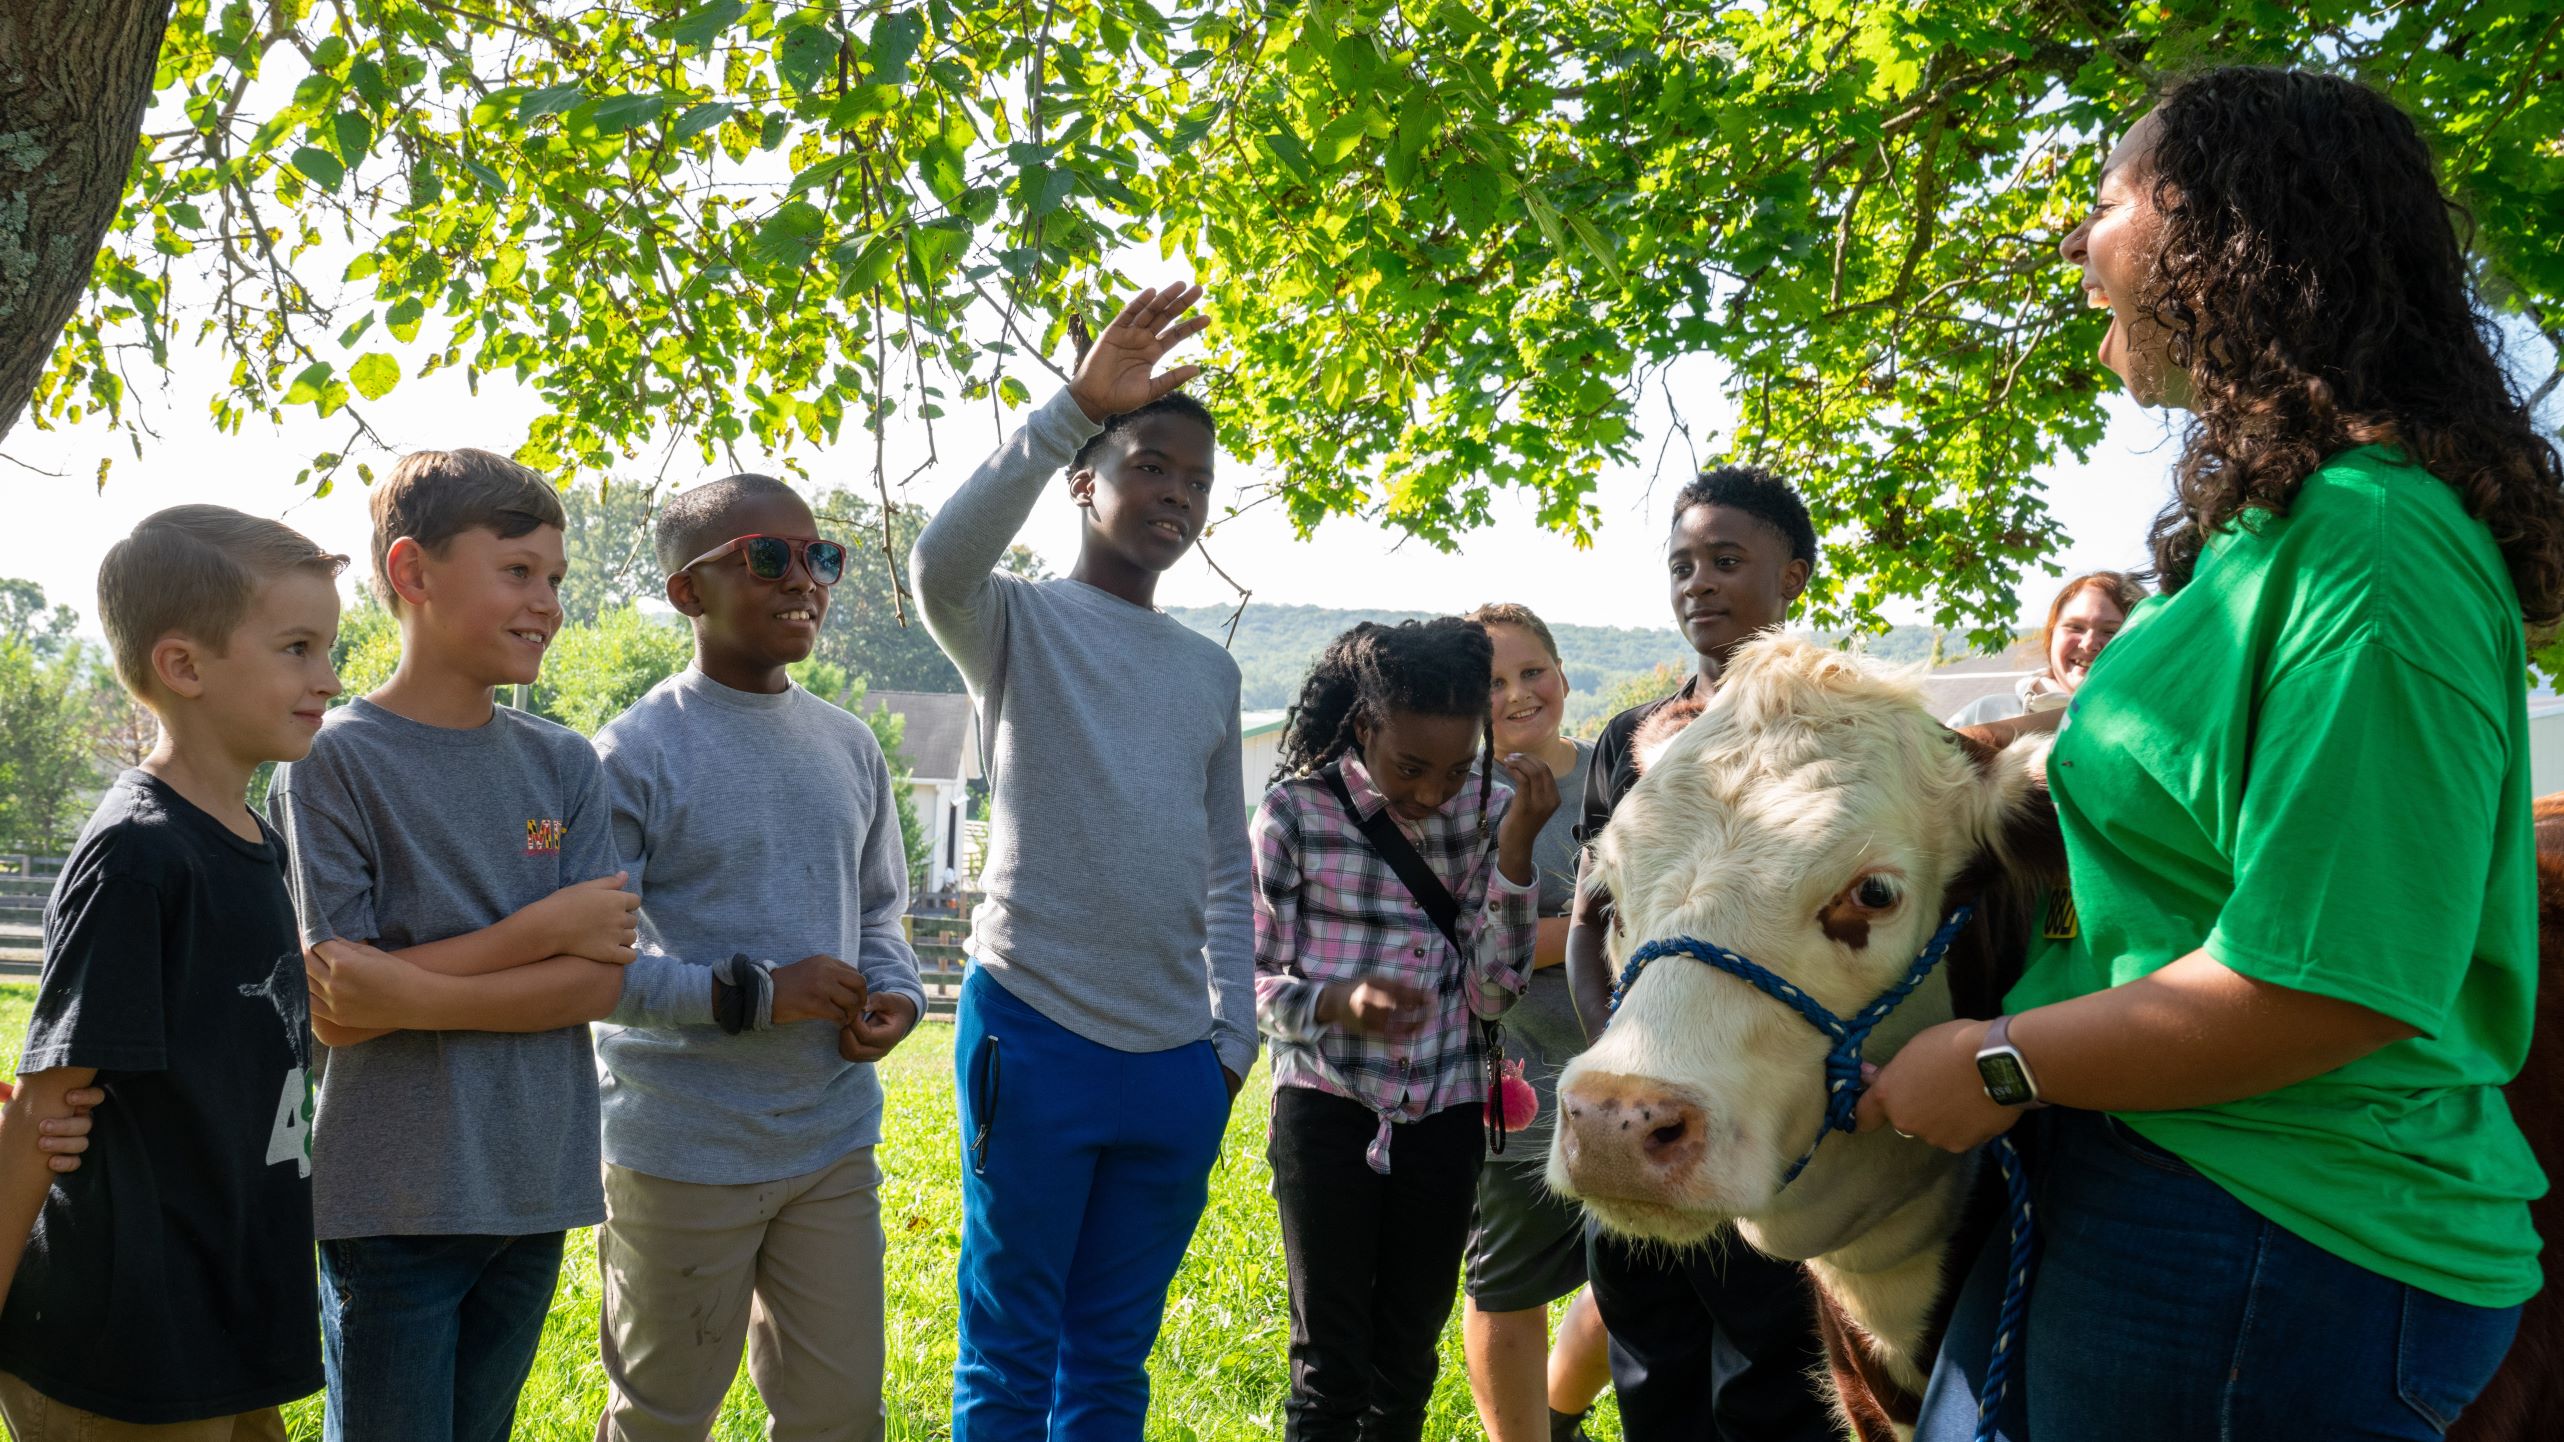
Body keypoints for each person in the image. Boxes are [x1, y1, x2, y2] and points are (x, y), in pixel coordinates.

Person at [1861, 66, 2562, 1441]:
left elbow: (2330, 982)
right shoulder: (2267, 536)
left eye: (2104, 203)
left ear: (2223, 232)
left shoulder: (2377, 551)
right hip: (2150, 1172)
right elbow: (2202, 799)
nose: (2078, 249)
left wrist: (1997, 1061)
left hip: (2272, 1231)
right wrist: (2023, 755)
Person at [911, 284, 1257, 1441]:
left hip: (1173, 1060)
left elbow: (1223, 869)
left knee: (1111, 1358)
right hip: (1034, 1027)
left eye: (1195, 482)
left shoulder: (1207, 673)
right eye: (1151, 463)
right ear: (1084, 480)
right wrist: (1070, 407)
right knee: (1009, 1347)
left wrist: (1230, 1035)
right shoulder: (1013, 621)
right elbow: (936, 563)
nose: (1174, 493)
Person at [267, 450, 646, 1442]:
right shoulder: (327, 761)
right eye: (518, 570)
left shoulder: (563, 760)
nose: (548, 601)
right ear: (412, 572)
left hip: (534, 1183)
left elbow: (597, 981)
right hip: (391, 1199)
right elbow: (335, 1002)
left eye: (555, 577)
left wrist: (398, 987)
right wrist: (535, 935)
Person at [588, 473, 927, 1442]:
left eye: (820, 556)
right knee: (663, 1413)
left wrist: (894, 995)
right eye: (764, 557)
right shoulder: (631, 753)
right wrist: (749, 995)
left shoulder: (850, 744)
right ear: (687, 593)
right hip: (679, 1147)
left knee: (837, 1412)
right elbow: (592, 973)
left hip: (828, 1140)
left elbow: (878, 914)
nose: (802, 579)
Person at [0, 507, 337, 1440]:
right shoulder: (140, 857)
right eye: (299, 648)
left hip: (222, 1311)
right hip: (124, 1337)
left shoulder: (257, 842)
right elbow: (45, 1108)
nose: (330, 679)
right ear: (184, 667)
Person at [1562, 466, 1840, 1442]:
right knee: (1650, 1357)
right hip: (1633, 1104)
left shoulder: (1835, 735)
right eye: (1681, 563)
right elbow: (1587, 917)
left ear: (1792, 575)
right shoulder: (1624, 739)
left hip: (1760, 1114)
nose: (1698, 583)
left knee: (1770, 1373)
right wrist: (1619, 1061)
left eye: (1727, 560)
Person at [1252, 617, 1557, 1442]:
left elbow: (1494, 995)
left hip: (1448, 1111)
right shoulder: (1295, 813)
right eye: (1410, 768)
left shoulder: (1492, 811)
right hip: (1328, 1107)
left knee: (1407, 1362)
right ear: (1363, 728)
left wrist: (1518, 854)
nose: (1431, 793)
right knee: (1331, 1364)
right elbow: (1246, 978)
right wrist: (1332, 1003)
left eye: (1457, 768)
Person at [1455, 603, 1614, 1442]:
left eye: (1532, 672)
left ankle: (1559, 1411)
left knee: (1631, 1283)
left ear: (1561, 673)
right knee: (1506, 1289)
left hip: (1626, 1084)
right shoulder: (1457, 805)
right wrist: (1589, 927)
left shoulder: (1618, 779)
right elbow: (1471, 947)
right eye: (1491, 684)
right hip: (1509, 1090)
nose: (1519, 695)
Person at [1945, 571, 2145, 726]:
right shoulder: (1984, 716)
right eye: (2075, 627)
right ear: (2051, 634)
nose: (2089, 644)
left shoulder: (2158, 730)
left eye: (2110, 632)